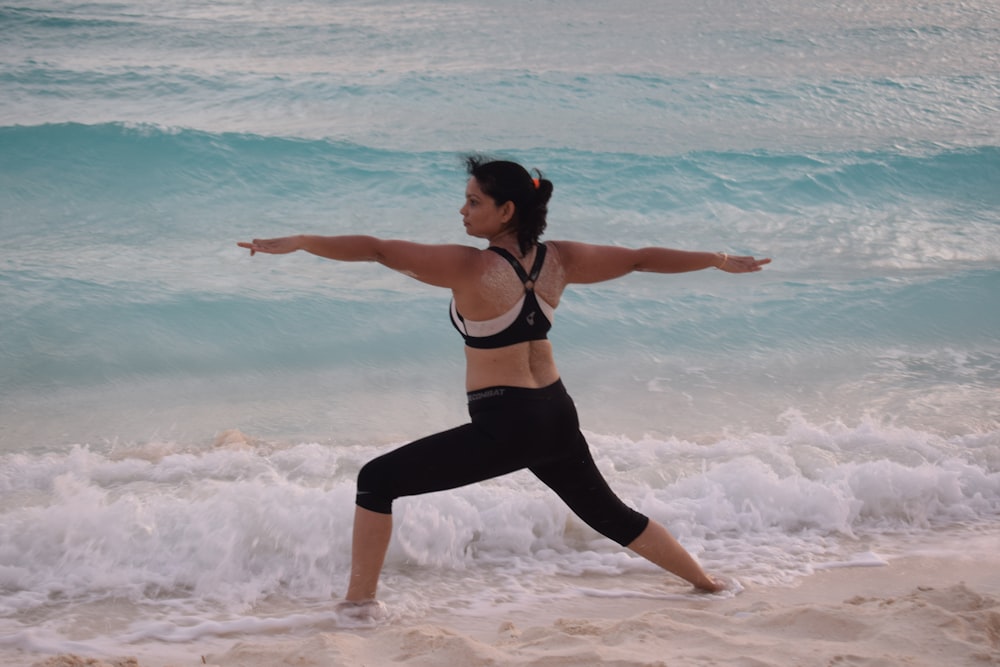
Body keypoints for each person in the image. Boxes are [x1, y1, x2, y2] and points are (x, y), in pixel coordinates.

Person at [238, 156, 770, 610]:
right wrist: (718, 259)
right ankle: (708, 585)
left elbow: (378, 249)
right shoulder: (560, 259)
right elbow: (639, 259)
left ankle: (358, 607)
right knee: (610, 514)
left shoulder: (469, 266)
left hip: (508, 420)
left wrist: (302, 241)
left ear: (505, 210)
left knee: (376, 480)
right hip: (556, 412)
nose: (463, 211)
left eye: (473, 202)